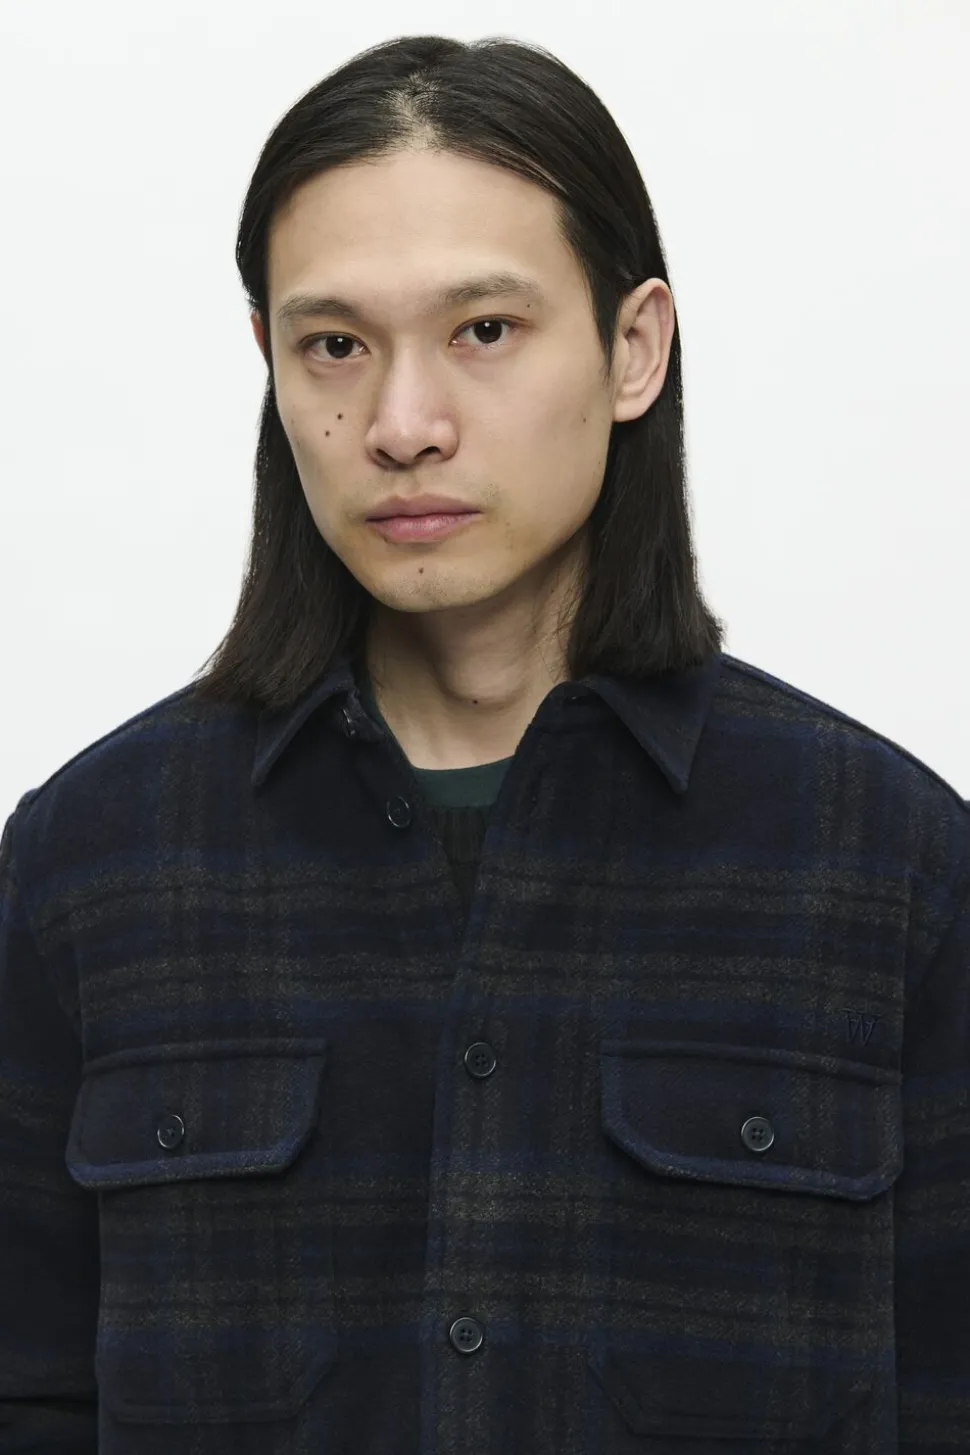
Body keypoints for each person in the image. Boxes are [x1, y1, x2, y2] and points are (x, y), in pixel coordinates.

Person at [1, 32, 967, 1455]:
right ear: (270, 363)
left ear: (633, 348)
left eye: (485, 330)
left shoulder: (891, 864)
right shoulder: (87, 866)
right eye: (335, 345)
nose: (402, 426)